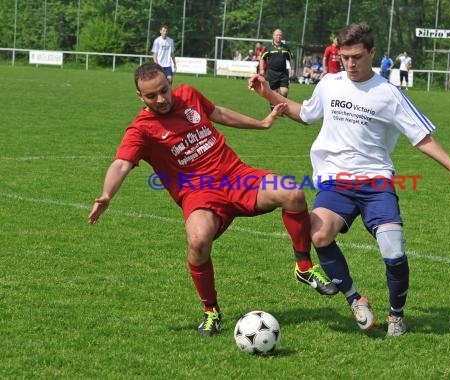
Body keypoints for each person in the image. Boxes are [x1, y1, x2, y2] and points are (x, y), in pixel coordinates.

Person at [249, 22, 450, 336]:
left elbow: (422, 137)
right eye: (344, 57)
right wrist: (268, 93)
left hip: (376, 182)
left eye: (356, 57)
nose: (350, 64)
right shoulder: (330, 83)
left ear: (371, 54)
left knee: (393, 251)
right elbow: (307, 114)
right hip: (335, 181)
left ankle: (396, 315)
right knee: (319, 235)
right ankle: (355, 299)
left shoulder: (389, 94)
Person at [87, 62, 338, 337]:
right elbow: (122, 164)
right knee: (197, 240)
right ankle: (211, 311)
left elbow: (218, 112)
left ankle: (304, 267)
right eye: (151, 96)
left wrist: (262, 124)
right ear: (140, 97)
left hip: (235, 176)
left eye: (164, 90)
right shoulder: (141, 129)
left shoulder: (189, 95)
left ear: (170, 84)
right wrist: (107, 194)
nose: (161, 99)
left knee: (292, 192)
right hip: (199, 192)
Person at [260, 29, 293, 98]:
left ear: (282, 36)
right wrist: (261, 69)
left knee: (284, 91)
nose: (278, 36)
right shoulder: (268, 47)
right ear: (273, 36)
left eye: (280, 35)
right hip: (272, 73)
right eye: (277, 35)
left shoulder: (286, 47)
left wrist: (292, 69)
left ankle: (281, 105)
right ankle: (274, 107)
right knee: (274, 93)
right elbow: (262, 58)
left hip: (283, 73)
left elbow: (290, 59)